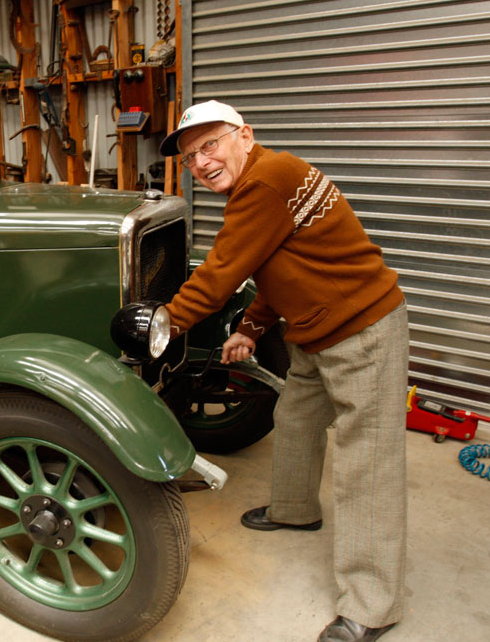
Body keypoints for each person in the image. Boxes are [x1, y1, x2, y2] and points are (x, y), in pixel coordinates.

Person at [160, 100, 409, 642]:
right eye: (190, 157)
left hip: (360, 329)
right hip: (317, 330)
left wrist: (164, 324)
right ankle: (295, 510)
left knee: (367, 464)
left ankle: (372, 605)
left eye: (210, 145)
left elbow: (223, 272)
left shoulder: (266, 182)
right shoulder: (265, 181)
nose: (201, 163)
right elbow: (278, 266)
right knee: (295, 419)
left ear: (245, 136)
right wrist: (251, 329)